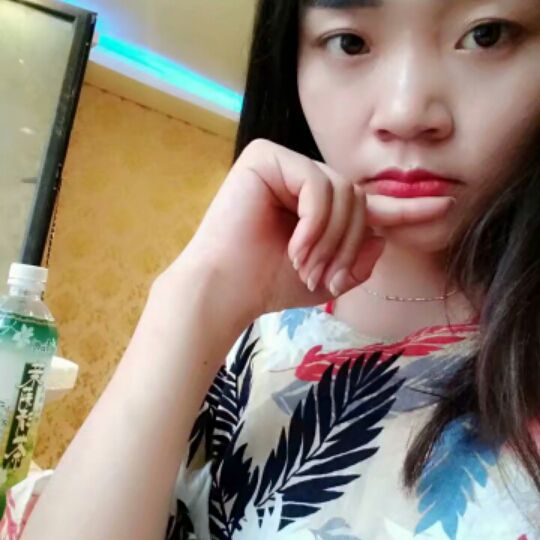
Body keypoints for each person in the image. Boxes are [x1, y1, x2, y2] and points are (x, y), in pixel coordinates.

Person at [3, 0, 540, 538]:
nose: (405, 112)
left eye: (486, 35)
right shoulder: (247, 332)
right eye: (350, 42)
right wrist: (194, 298)